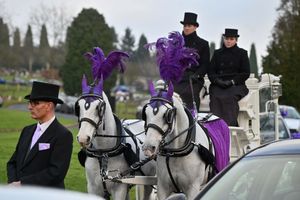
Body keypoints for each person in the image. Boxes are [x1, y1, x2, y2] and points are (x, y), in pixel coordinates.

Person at [7, 81, 73, 189]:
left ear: (48, 106)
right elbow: (12, 162)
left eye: (35, 103)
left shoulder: (63, 135)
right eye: (30, 102)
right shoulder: (27, 130)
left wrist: (22, 184)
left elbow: (56, 172)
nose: (29, 107)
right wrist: (14, 184)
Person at [208, 28, 250, 126]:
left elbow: (245, 72)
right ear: (224, 39)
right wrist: (217, 81)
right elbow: (211, 71)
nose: (228, 41)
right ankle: (216, 125)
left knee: (229, 97)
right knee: (215, 97)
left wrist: (232, 82)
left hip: (236, 85)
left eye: (231, 39)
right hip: (218, 85)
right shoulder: (217, 53)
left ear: (236, 40)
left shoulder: (242, 53)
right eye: (227, 39)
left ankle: (230, 126)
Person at [174, 12, 210, 116]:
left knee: (189, 93)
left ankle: (192, 119)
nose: (186, 28)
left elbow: (205, 65)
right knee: (170, 94)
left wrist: (197, 75)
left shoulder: (203, 44)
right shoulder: (176, 43)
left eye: (189, 26)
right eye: (185, 25)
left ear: (195, 27)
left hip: (193, 79)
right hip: (178, 77)